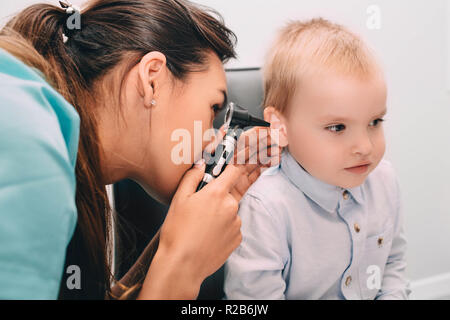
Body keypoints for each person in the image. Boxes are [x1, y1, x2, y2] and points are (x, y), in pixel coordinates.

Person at [0, 0, 279, 300]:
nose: (212, 140)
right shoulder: (33, 151)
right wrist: (183, 266)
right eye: (213, 107)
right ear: (152, 79)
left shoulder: (57, 151)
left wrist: (178, 240)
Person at [224, 18, 411, 300]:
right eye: (337, 127)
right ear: (280, 127)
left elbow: (393, 265)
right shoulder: (266, 209)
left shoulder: (383, 179)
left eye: (375, 121)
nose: (364, 146)